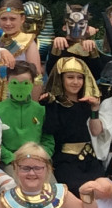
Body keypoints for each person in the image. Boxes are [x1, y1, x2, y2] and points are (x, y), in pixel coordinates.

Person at [41, 57, 104, 197]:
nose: (75, 82)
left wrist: (95, 109)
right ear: (61, 79)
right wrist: (50, 105)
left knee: (102, 191)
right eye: (70, 77)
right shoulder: (53, 104)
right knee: (77, 194)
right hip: (65, 162)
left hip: (91, 160)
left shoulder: (88, 104)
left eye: (80, 78)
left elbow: (96, 132)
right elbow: (50, 130)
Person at [0, 0, 43, 102]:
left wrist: (33, 104)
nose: (8, 23)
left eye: (12, 19)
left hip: (18, 94)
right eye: (3, 19)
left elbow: (36, 76)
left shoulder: (28, 42)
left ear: (22, 19)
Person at [0, 62, 47, 166]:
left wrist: (40, 156)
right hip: (9, 162)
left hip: (37, 160)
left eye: (25, 83)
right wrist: (11, 157)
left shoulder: (41, 110)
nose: (20, 88)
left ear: (33, 83)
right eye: (15, 83)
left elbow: (48, 139)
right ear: (7, 82)